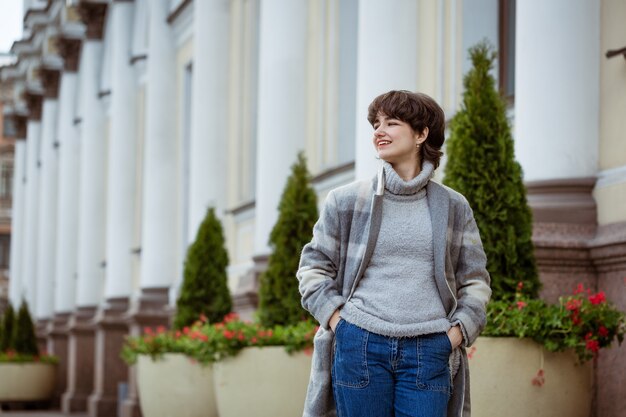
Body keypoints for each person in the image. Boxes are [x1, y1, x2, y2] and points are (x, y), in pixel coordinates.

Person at [297, 90, 491, 417]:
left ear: (421, 134)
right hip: (359, 344)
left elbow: (475, 281)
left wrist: (454, 336)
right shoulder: (346, 201)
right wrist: (339, 323)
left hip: (429, 348)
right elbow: (313, 270)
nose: (379, 131)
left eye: (392, 122)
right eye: (376, 123)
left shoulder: (453, 207)